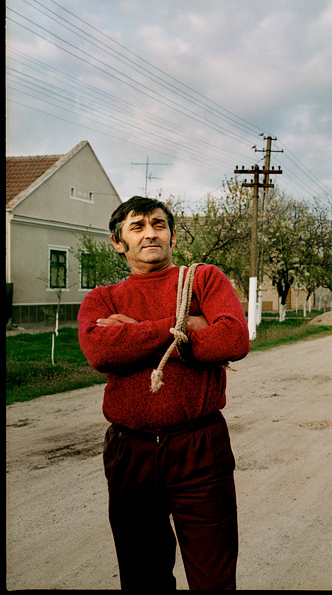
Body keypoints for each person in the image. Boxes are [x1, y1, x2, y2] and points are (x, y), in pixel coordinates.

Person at [78, 196, 250, 590]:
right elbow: (101, 350)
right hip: (130, 452)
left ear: (172, 234)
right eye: (137, 227)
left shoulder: (203, 279)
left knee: (214, 578)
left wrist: (132, 331)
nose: (150, 233)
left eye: (158, 224)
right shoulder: (103, 298)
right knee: (143, 578)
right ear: (118, 242)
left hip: (199, 445)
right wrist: (181, 325)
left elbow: (233, 339)